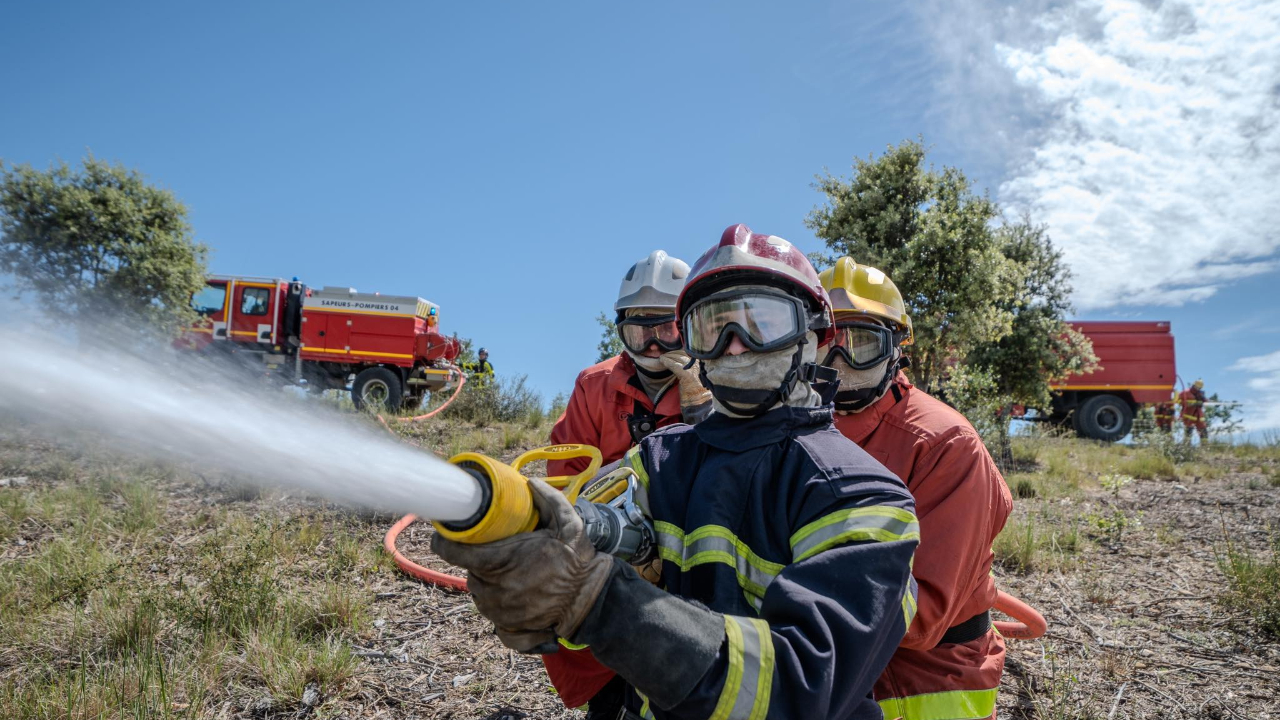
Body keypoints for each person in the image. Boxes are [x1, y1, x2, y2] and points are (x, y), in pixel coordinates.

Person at [434, 224, 919, 720]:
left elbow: (801, 690)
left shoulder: (863, 497)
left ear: (816, 337)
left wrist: (596, 603)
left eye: (762, 321)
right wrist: (546, 563)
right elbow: (596, 611)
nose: (734, 345)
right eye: (715, 326)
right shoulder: (659, 460)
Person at [818, 257, 1013, 720]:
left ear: (896, 349)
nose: (840, 363)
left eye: (861, 342)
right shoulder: (802, 425)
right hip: (836, 649)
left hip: (929, 675)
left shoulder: (945, 443)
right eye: (825, 344)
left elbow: (923, 620)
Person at [543, 249, 711, 718]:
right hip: (609, 553)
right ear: (622, 330)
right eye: (641, 331)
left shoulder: (717, 379)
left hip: (690, 555)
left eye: (666, 330)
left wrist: (703, 407)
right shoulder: (595, 385)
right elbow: (565, 477)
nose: (654, 346)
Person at [1180, 379, 1208, 443]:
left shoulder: (1200, 394)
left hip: (1199, 416)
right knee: (1188, 432)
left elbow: (1205, 401)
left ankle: (1205, 448)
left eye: (1199, 388)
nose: (1197, 389)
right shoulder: (1185, 392)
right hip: (1189, 415)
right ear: (1193, 385)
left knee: (1204, 432)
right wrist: (1193, 403)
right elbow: (1180, 402)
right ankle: (1186, 447)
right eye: (1196, 387)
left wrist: (1211, 403)